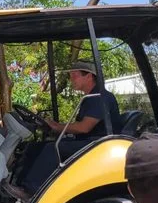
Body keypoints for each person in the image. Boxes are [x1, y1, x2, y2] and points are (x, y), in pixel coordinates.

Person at [19, 59, 121, 194]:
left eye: (75, 75)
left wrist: (57, 127)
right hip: (91, 142)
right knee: (35, 146)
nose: (71, 79)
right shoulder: (91, 97)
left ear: (89, 76)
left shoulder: (98, 97)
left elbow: (84, 127)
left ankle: (31, 190)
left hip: (96, 144)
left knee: (52, 149)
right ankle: (19, 185)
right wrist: (56, 127)